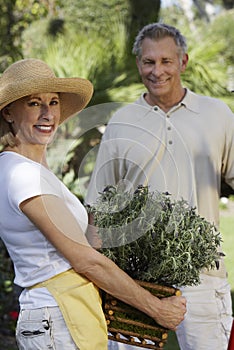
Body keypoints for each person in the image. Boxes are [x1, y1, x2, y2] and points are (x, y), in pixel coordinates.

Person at [0, 58, 186, 350]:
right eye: (35, 103)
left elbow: (86, 243)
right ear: (9, 112)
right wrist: (156, 309)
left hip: (64, 315)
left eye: (53, 102)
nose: (48, 113)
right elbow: (84, 259)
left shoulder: (34, 172)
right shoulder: (23, 175)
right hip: (56, 317)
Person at [85, 23, 234, 350]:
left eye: (166, 61)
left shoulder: (218, 115)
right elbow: (97, 206)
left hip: (205, 277)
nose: (157, 70)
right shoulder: (122, 122)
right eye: (149, 62)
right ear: (138, 64)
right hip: (136, 282)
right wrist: (101, 280)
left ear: (183, 62)